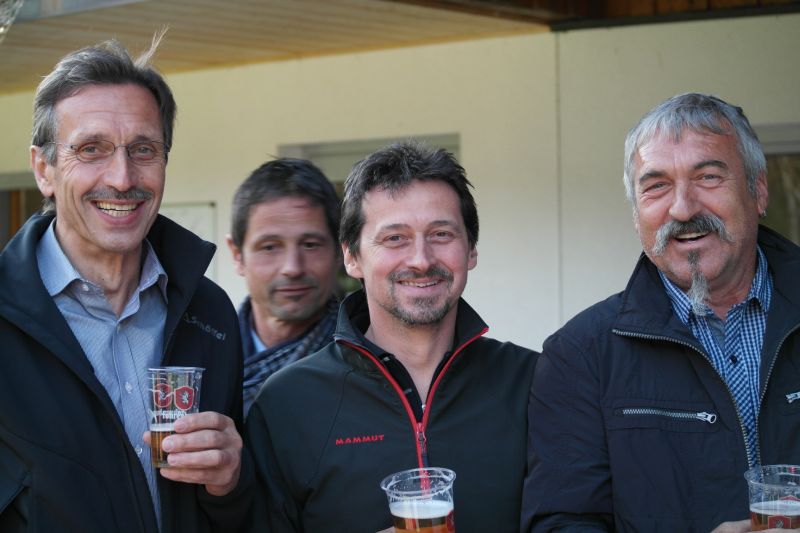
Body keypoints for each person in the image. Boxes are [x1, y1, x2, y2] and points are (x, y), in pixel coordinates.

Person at [0, 35, 250, 532]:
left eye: (143, 150)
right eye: (90, 149)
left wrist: (231, 482)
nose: (121, 177)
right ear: (44, 169)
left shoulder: (210, 312)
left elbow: (235, 517)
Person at [521, 93, 800, 532]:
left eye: (708, 177)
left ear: (758, 190)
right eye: (656, 186)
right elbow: (562, 524)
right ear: (636, 214)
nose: (683, 208)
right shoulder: (581, 355)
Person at [245, 140, 538, 532]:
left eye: (441, 234)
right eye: (395, 238)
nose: (421, 260)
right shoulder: (286, 403)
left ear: (471, 250)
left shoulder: (535, 383)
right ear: (352, 257)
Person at [227, 158, 341, 414]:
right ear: (237, 254)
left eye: (310, 245)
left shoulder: (371, 363)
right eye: (270, 247)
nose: (292, 267)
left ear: (339, 251)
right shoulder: (203, 354)